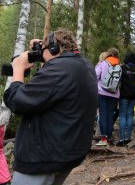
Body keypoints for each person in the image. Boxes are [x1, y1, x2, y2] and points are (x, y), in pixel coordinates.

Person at [3, 30, 97, 185]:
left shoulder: (60, 69)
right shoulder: (84, 65)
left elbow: (16, 101)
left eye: (43, 51)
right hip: (67, 153)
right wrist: (43, 48)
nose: (41, 55)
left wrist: (18, 68)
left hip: (42, 159)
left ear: (54, 49)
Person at [95, 48, 121, 146]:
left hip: (102, 93)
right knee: (110, 116)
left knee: (103, 115)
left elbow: (95, 76)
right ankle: (109, 138)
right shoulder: (119, 66)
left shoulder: (102, 64)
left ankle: (103, 139)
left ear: (108, 54)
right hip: (114, 95)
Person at [117, 52, 135, 147]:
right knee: (130, 116)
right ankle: (128, 137)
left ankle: (121, 139)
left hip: (123, 95)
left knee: (122, 116)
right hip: (133, 96)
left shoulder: (123, 68)